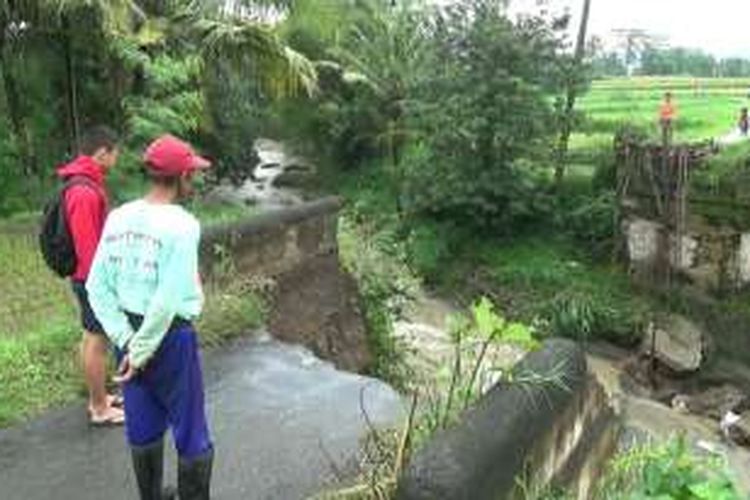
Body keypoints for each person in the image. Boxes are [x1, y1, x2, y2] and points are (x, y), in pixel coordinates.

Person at [87, 135, 214, 500]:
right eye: (193, 174)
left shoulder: (119, 217)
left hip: (127, 336)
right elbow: (167, 300)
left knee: (142, 426)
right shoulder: (183, 225)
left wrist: (127, 342)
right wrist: (142, 350)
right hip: (171, 339)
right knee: (191, 432)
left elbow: (97, 287)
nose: (194, 180)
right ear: (183, 177)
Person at [59, 126, 125, 426]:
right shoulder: (83, 191)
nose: (117, 159)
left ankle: (98, 398)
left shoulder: (83, 182)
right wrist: (104, 284)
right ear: (102, 153)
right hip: (90, 278)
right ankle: (100, 408)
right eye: (115, 153)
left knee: (91, 338)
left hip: (87, 277)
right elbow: (87, 247)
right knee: (97, 342)